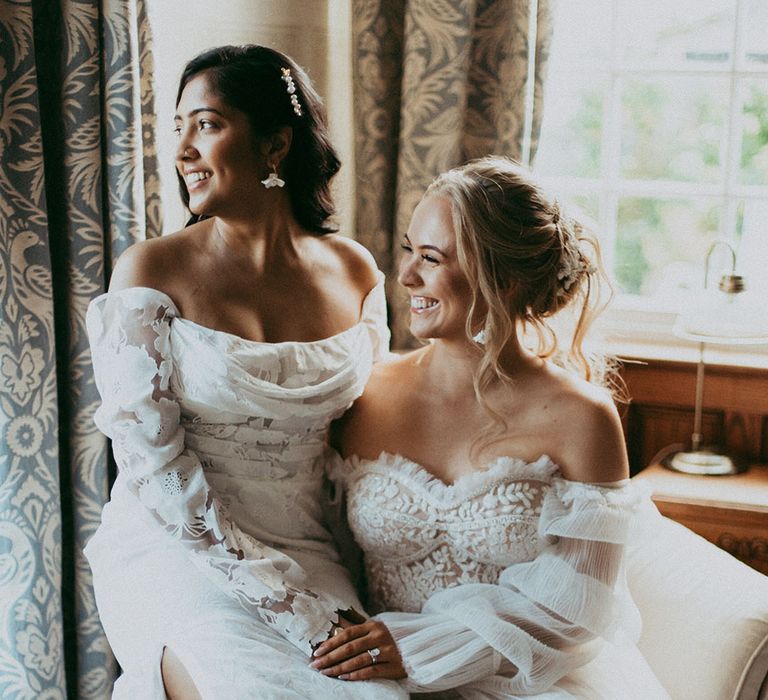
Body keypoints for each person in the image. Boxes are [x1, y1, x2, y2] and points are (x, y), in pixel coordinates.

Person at [84, 44, 406, 699]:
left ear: (275, 145)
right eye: (178, 128)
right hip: (174, 548)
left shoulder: (354, 273)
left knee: (374, 693)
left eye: (206, 124)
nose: (182, 150)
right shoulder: (150, 274)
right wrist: (296, 609)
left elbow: (366, 438)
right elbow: (154, 474)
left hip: (307, 547)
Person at [311, 157, 670, 698]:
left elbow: (576, 608)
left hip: (528, 681)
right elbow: (325, 547)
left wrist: (417, 647)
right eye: (410, 250)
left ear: (502, 279)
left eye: (431, 258)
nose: (407, 276)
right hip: (375, 680)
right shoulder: (364, 393)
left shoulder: (582, 417)